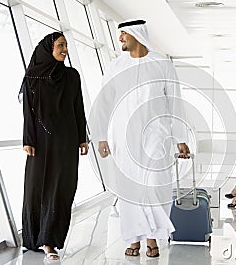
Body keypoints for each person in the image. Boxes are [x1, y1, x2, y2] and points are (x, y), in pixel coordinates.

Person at [89, 19, 189, 258]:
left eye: (124, 33)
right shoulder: (116, 66)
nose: (120, 38)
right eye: (119, 34)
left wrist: (180, 137)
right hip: (123, 138)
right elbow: (103, 102)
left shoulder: (161, 63)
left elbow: (174, 100)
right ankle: (133, 238)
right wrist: (101, 136)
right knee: (129, 189)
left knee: (154, 186)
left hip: (157, 136)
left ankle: (152, 237)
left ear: (136, 34)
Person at [20, 32, 88, 261]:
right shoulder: (33, 76)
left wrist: (82, 137)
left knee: (61, 189)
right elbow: (28, 111)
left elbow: (78, 107)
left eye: (66, 45)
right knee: (35, 189)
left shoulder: (71, 76)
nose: (65, 49)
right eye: (60, 45)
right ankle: (32, 238)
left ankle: (50, 241)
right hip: (39, 142)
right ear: (48, 48)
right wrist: (28, 139)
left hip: (66, 141)